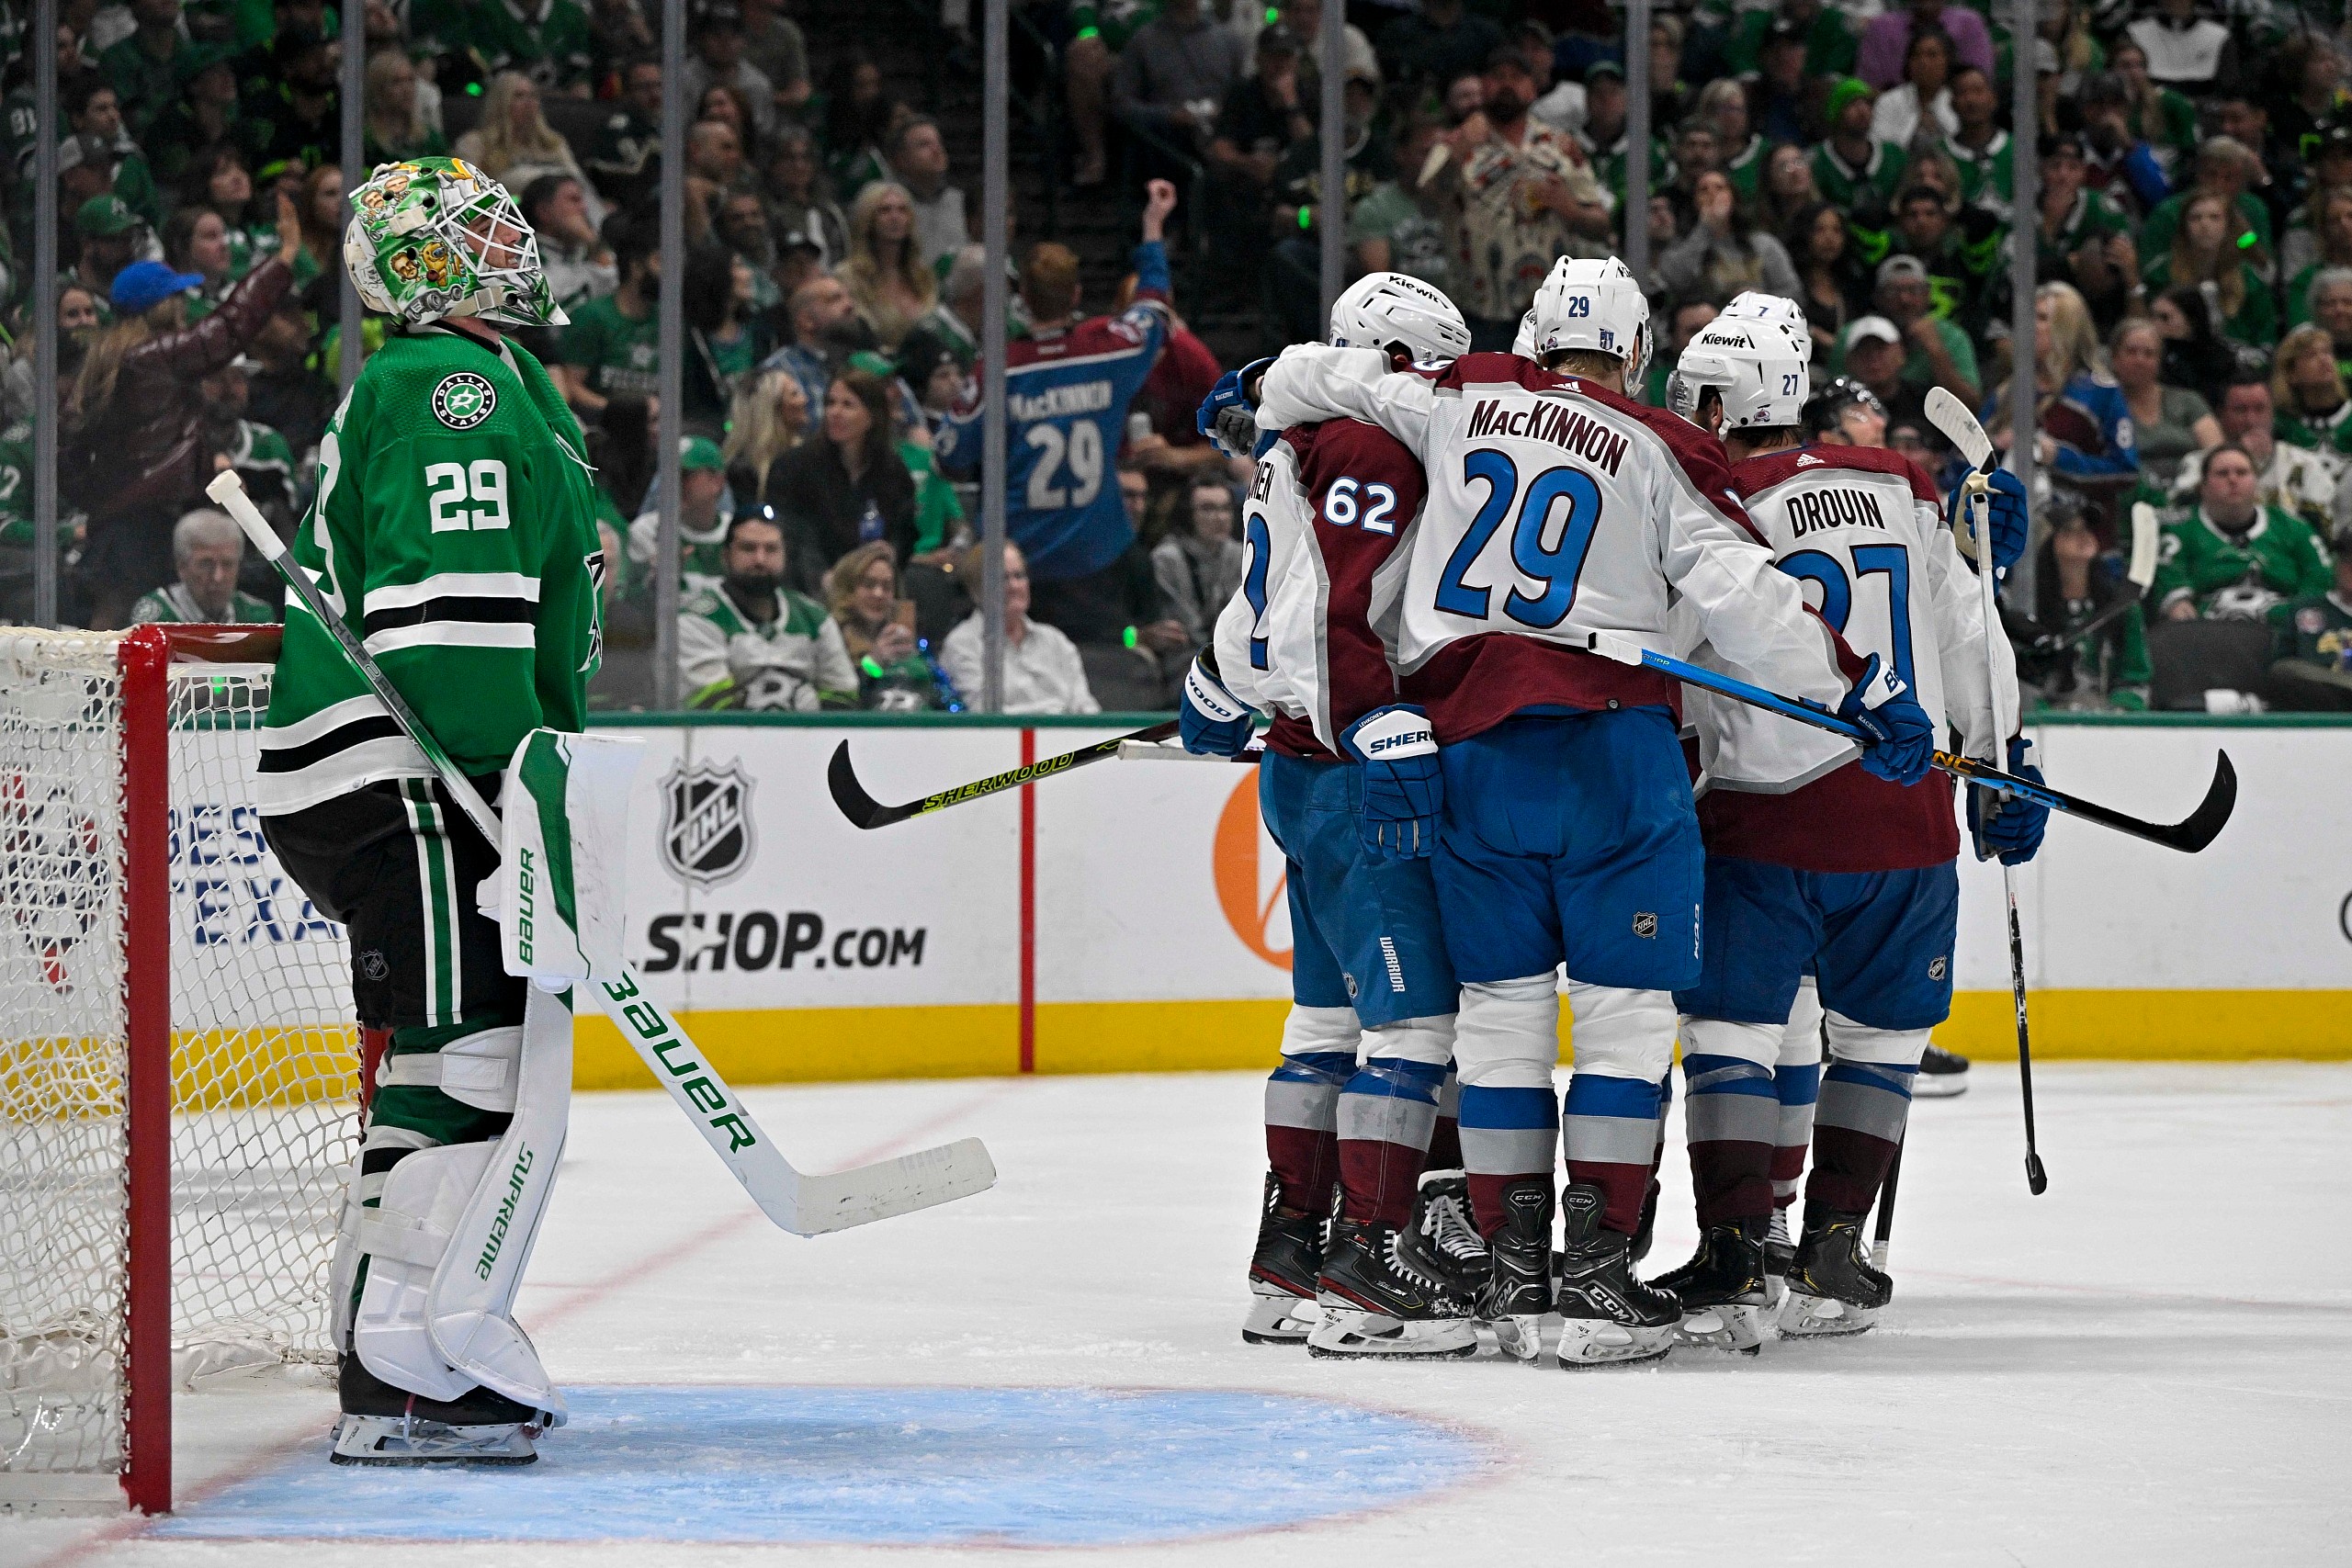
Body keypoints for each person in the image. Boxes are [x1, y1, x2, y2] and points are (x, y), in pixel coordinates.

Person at [1236, 256, 1935, 1368]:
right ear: (1640, 352)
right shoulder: (1666, 445)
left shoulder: (1454, 393)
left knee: (1500, 1016)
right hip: (1612, 755)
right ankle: (1596, 1278)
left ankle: (1513, 1283)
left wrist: (1267, 380)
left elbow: (1328, 383)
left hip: (1468, 755)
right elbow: (1747, 599)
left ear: (1527, 332)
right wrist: (1860, 688)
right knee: (1622, 1021)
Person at [254, 155, 599, 1467]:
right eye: (473, 239)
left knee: (454, 1055)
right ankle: (404, 1360)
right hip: (405, 770)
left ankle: (393, 1342)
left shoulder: (490, 381)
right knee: (470, 1059)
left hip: (401, 771)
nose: (507, 251)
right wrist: (522, 790)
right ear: (420, 269)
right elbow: (450, 623)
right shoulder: (443, 382)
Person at [1663, 314, 2030, 1347]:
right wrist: (2005, 761)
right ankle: (1832, 1249)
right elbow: (1967, 630)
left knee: (1732, 1035)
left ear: (1715, 405)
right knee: (1878, 1041)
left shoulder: (1715, 501)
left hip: (1764, 814)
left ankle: (1737, 1255)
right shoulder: (1900, 484)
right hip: (1908, 815)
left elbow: (1676, 654)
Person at [1184, 274, 1480, 1357]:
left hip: (1298, 774)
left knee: (1322, 1025)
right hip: (1360, 775)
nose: (1436, 388)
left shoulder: (1291, 444)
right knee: (1410, 1027)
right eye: (1424, 366)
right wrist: (1369, 719)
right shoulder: (1367, 448)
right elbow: (1339, 609)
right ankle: (1368, 1265)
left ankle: (1290, 1257)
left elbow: (1268, 606)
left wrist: (1221, 683)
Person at [936, 182, 1178, 624]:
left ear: (1022, 298)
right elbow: (1154, 306)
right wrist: (1152, 230)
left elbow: (949, 455)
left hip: (1017, 561)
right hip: (1096, 554)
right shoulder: (1112, 351)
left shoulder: (998, 370)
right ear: (1076, 295)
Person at [63, 199, 300, 626]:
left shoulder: (115, 358)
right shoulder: (152, 357)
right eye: (177, 297)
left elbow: (72, 455)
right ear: (160, 306)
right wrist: (281, 263)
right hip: (147, 520)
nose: (184, 305)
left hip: (125, 519)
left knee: (121, 629)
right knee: (121, 632)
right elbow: (229, 328)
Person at [1416, 45, 1609, 351]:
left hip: (1550, 317)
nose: (1507, 84)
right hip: (1476, 315)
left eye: (1517, 77)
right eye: (1497, 76)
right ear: (1483, 86)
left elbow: (1601, 224)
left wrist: (1568, 208)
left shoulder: (1561, 147)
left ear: (1533, 89)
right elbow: (1425, 203)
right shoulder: (1456, 142)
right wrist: (1458, 152)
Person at [678, 510, 855, 710]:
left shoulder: (814, 618)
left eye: (771, 549)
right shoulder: (697, 619)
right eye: (748, 548)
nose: (760, 560)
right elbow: (713, 707)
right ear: (725, 556)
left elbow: (843, 695)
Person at [763, 367, 918, 596]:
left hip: (873, 586)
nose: (834, 412)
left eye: (847, 405)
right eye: (830, 403)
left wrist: (891, 551)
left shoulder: (893, 472)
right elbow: (792, 535)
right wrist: (824, 579)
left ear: (872, 416)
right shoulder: (795, 467)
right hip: (809, 586)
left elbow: (904, 530)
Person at [2154, 444, 2335, 622]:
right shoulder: (2180, 529)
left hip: (2282, 627)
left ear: (2256, 481)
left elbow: (2320, 574)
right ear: (2203, 486)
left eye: (2241, 472)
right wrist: (2176, 602)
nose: (2233, 480)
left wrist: (2301, 611)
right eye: (2222, 473)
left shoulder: (2293, 527)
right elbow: (2168, 575)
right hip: (2205, 631)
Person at [2012, 491, 2154, 713]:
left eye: (2086, 528)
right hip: (2044, 726)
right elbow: (2019, 686)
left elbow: (2135, 678)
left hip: (2105, 723)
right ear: (2046, 543)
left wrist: (2116, 712)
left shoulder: (2122, 607)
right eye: (2069, 531)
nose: (2084, 536)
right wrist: (2049, 717)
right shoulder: (2024, 610)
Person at [938, 541, 1099, 714]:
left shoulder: (1055, 641)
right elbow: (980, 713)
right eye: (1003, 578)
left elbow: (1086, 707)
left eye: (1019, 576)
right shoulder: (962, 644)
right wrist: (1052, 712)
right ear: (976, 590)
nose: (1014, 586)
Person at [2172, 377, 2340, 535]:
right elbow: (2181, 515)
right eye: (2240, 410)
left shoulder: (2305, 465)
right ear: (2221, 415)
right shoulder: (2198, 463)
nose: (2251, 420)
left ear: (2272, 413)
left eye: (2260, 409)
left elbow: (2324, 528)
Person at [553, 215, 657, 415]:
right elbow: (571, 386)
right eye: (659, 261)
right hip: (605, 425)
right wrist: (624, 411)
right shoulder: (591, 316)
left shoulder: (670, 322)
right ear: (636, 267)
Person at [826, 539, 941, 710]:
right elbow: (838, 705)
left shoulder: (905, 640)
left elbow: (945, 703)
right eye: (869, 585)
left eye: (886, 587)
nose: (879, 594)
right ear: (848, 590)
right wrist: (873, 665)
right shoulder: (830, 639)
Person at [1658, 169, 1801, 307]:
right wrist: (1705, 228)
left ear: (1733, 198)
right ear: (1694, 201)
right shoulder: (1680, 245)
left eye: (1719, 188)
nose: (1712, 194)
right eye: (1703, 190)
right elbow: (1675, 280)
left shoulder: (1763, 244)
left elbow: (1794, 293)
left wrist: (1760, 299)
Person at [2110, 317, 2218, 494]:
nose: (2140, 360)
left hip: (2190, 495)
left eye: (2148, 353)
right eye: (2131, 352)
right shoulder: (2104, 407)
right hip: (2132, 495)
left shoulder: (2188, 401)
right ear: (2115, 358)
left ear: (2159, 362)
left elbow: (2215, 453)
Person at [124, 506, 278, 624]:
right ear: (181, 567)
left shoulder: (256, 615)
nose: (218, 577)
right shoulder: (156, 615)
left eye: (228, 564)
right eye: (206, 564)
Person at [628, 435, 734, 597]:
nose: (673, 483)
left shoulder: (736, 532)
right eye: (668, 474)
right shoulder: (647, 531)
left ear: (717, 482)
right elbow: (636, 601)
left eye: (685, 475)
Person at [454, 72, 592, 197]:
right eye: (519, 96)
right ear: (501, 102)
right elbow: (468, 194)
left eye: (533, 96)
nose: (529, 103)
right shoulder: (475, 143)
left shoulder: (554, 143)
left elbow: (579, 182)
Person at [1149, 474, 1244, 650]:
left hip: (1232, 653)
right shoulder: (1167, 559)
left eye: (1226, 508)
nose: (1220, 517)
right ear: (1188, 513)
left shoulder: (1241, 554)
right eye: (1208, 509)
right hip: (1183, 655)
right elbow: (1184, 627)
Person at [840, 181, 935, 353]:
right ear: (867, 218)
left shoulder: (924, 275)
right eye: (884, 210)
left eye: (902, 210)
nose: (895, 217)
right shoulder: (849, 277)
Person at [2265, 523, 2352, 710]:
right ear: (2336, 562)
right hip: (2315, 714)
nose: (2351, 567)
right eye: (2347, 559)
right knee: (2288, 671)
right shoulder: (2305, 610)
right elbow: (2281, 671)